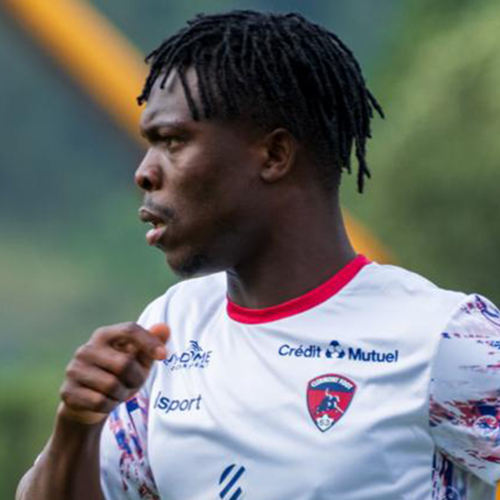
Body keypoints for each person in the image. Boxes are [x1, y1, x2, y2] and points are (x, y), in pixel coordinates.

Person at [16, 9, 500, 500]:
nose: (144, 172)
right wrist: (77, 425)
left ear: (273, 155)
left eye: (173, 141)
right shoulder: (169, 330)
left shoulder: (444, 337)